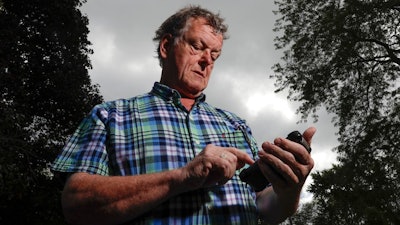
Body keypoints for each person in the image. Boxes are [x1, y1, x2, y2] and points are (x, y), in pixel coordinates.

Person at [52, 5, 316, 225]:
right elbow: (76, 203)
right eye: (197, 46)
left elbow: (264, 207)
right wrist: (181, 178)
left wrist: (288, 193)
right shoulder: (111, 116)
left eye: (215, 55)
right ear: (166, 46)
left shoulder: (236, 124)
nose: (207, 61)